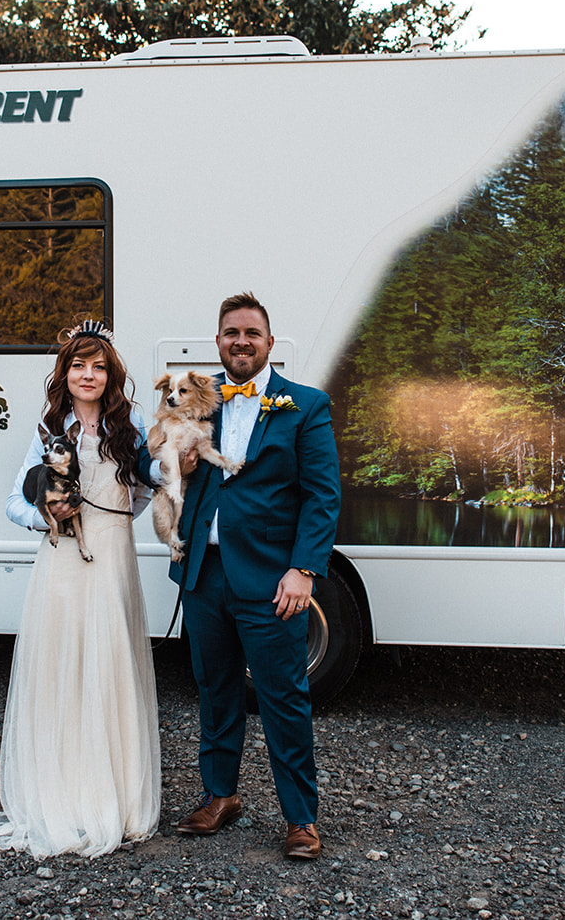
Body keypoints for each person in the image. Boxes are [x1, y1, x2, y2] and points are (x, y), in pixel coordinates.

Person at [163, 292, 341, 861]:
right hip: (204, 574)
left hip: (272, 580)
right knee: (215, 691)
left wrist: (304, 570)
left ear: (269, 343)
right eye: (230, 333)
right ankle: (220, 796)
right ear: (217, 342)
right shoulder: (195, 399)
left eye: (251, 333)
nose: (241, 342)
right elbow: (159, 460)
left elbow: (322, 495)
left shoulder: (304, 405)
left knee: (283, 697)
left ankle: (301, 819)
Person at [0, 321, 160, 859]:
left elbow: (148, 486)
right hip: (60, 564)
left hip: (113, 562)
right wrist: (45, 514)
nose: (89, 374)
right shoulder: (48, 428)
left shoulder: (130, 426)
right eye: (79, 365)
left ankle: (117, 799)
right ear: (66, 373)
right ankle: (64, 794)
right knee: (64, 670)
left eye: (98, 366)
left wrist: (117, 521)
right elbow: (13, 501)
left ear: (111, 375)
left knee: (110, 668)